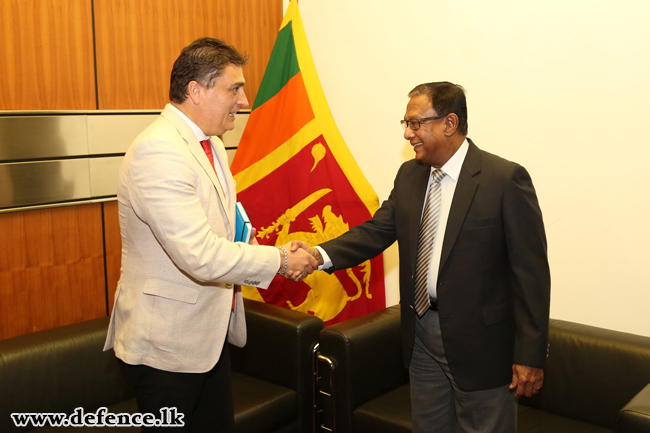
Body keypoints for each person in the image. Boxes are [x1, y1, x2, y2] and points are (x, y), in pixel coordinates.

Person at [307, 82, 550, 432]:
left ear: (449, 123)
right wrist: (318, 255)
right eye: (405, 124)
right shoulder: (410, 176)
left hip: (480, 344)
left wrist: (529, 356)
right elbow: (375, 232)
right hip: (420, 334)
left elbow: (532, 275)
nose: (408, 133)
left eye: (415, 123)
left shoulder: (503, 179)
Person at [103, 37, 317, 432]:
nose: (244, 99)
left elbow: (227, 227)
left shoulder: (212, 145)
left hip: (208, 337)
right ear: (196, 91)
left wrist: (272, 248)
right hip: (165, 348)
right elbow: (199, 254)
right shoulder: (158, 150)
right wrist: (281, 261)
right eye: (234, 88)